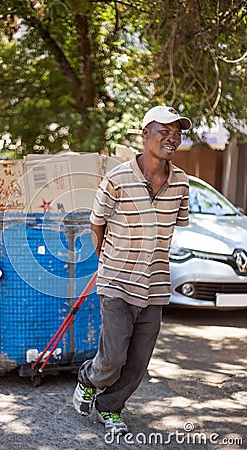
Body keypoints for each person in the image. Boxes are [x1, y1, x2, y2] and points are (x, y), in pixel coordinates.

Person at [73, 105, 192, 435]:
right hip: (117, 283)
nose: (172, 138)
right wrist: (109, 262)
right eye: (163, 132)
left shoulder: (181, 183)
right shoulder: (118, 178)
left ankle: (110, 407)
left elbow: (175, 225)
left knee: (138, 362)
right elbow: (96, 224)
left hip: (154, 286)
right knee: (112, 358)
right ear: (145, 135)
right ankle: (87, 379)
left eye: (177, 133)